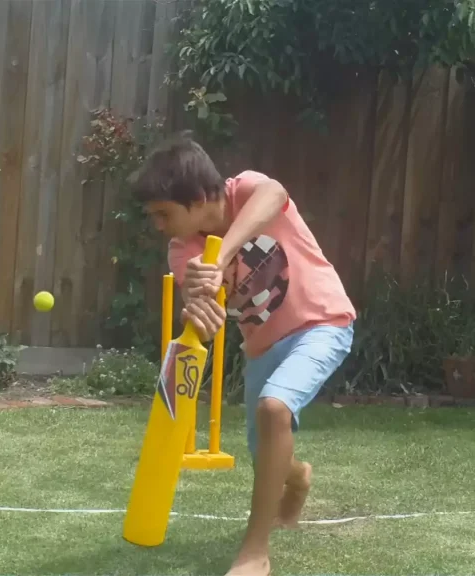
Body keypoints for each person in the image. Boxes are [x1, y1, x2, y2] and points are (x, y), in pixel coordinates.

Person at [129, 131, 356, 576]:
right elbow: (200, 311)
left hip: (323, 324)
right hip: (263, 348)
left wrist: (221, 256)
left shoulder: (247, 189)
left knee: (275, 409)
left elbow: (275, 193)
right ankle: (296, 474)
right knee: (266, 451)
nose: (157, 224)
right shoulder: (182, 250)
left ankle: (255, 552)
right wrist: (199, 309)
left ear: (197, 198)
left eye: (162, 213)